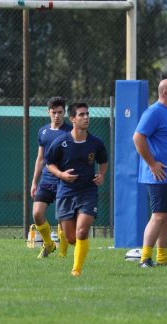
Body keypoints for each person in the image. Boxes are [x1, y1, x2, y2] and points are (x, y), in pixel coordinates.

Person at [132, 79, 167, 268]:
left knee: (166, 217)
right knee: (158, 216)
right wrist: (151, 163)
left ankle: (162, 258)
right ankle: (145, 258)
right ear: (165, 92)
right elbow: (138, 137)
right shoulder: (154, 112)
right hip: (159, 176)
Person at [45, 102, 108, 277]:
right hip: (66, 192)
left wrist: (101, 175)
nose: (86, 117)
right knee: (71, 237)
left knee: (82, 232)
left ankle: (76, 270)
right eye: (81, 115)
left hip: (88, 191)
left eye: (87, 114)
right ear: (72, 119)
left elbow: (103, 161)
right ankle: (68, 249)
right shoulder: (61, 142)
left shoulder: (95, 142)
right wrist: (61, 175)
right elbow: (49, 163)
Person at [30, 96, 73, 258]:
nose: (57, 115)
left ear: (64, 113)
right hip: (46, 180)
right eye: (54, 112)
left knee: (62, 219)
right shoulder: (43, 131)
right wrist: (34, 182)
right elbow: (40, 158)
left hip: (64, 180)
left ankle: (62, 255)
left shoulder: (70, 132)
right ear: (48, 112)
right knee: (37, 213)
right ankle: (48, 243)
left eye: (60, 112)